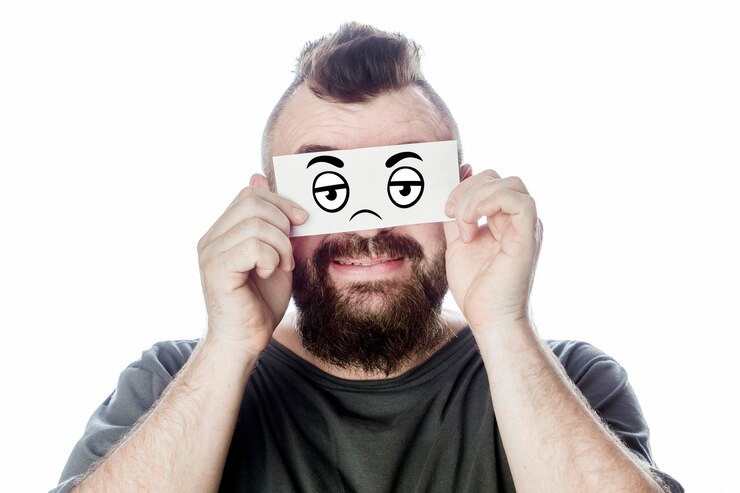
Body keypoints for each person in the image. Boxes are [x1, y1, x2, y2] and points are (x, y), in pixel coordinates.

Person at [50, 22, 683, 493]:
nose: (369, 224)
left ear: (462, 196)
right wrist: (227, 346)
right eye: (327, 186)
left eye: (405, 181)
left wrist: (504, 325)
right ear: (265, 206)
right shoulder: (170, 382)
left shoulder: (569, 378)